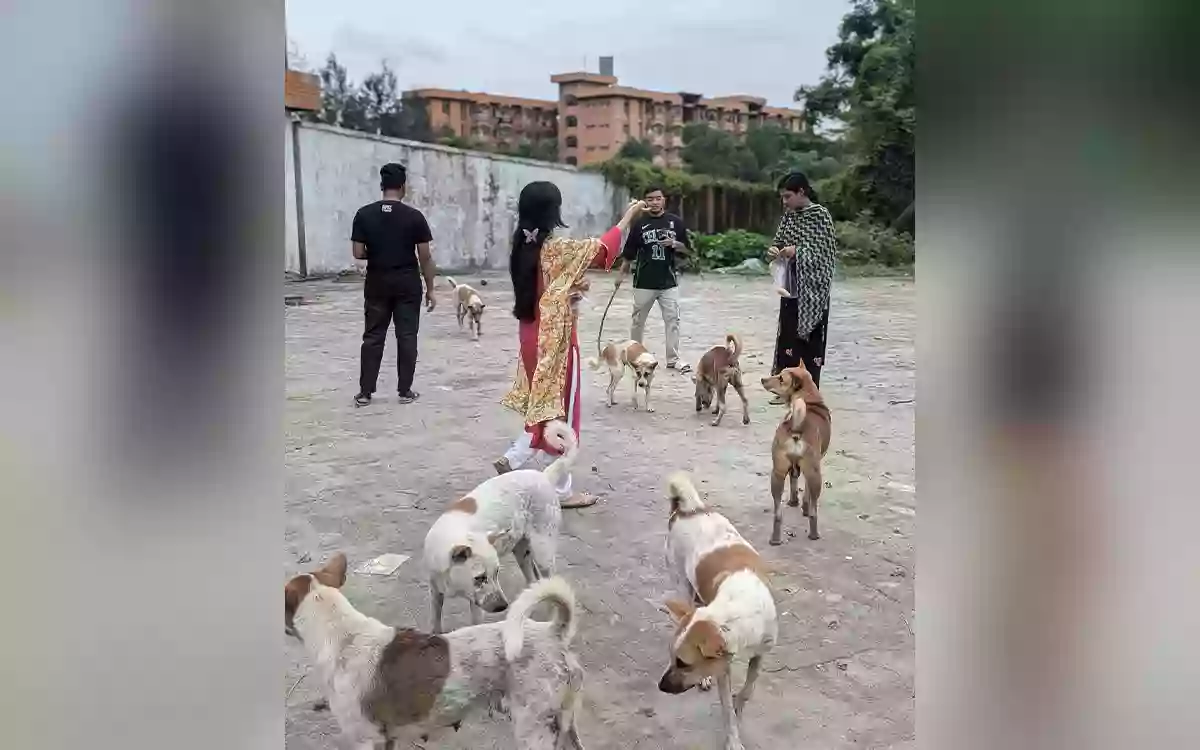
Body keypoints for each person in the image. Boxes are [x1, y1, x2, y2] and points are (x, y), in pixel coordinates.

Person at [496, 182, 648, 507]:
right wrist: (629, 216)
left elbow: (547, 288)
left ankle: (517, 454)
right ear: (553, 211)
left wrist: (569, 292)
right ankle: (562, 489)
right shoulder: (554, 247)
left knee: (544, 400)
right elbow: (604, 250)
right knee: (564, 411)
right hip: (556, 342)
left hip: (530, 334)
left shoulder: (522, 245)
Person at [351, 163, 437, 407]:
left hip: (377, 281)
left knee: (373, 336)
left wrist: (379, 252)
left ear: (382, 186)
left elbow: (358, 252)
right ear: (403, 187)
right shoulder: (414, 217)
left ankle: (365, 393)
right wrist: (430, 288)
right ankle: (405, 391)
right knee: (407, 336)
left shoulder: (364, 214)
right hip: (407, 283)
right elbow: (425, 257)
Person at [766, 171, 838, 402]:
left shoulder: (820, 216)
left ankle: (809, 390)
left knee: (811, 340)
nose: (784, 202)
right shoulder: (788, 217)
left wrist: (798, 251)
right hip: (791, 286)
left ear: (802, 192)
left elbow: (825, 252)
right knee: (788, 336)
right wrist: (774, 251)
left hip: (814, 290)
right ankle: (783, 388)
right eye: (782, 198)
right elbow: (779, 242)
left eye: (788, 196)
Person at [615, 185, 691, 371]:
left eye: (658, 198)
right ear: (645, 202)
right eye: (650, 199)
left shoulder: (676, 222)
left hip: (668, 281)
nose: (655, 202)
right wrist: (620, 275)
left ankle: (673, 359)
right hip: (644, 281)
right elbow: (629, 253)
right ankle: (635, 355)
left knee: (673, 320)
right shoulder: (639, 224)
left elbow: (686, 249)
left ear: (664, 200)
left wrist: (674, 243)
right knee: (638, 321)